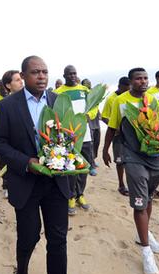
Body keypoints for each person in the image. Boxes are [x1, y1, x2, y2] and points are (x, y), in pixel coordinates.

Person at [0, 55, 71, 274]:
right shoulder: (7, 106)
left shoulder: (59, 102)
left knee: (58, 242)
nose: (42, 76)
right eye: (36, 72)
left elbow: (71, 137)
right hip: (26, 182)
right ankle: (22, 272)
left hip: (56, 184)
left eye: (45, 72)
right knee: (28, 237)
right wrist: (27, 162)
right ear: (23, 77)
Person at [103, 68, 159, 274]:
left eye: (145, 78)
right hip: (132, 156)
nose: (143, 81)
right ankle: (146, 252)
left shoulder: (153, 100)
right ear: (130, 82)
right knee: (139, 201)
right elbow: (112, 127)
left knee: (147, 198)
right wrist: (105, 149)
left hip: (154, 156)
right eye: (138, 78)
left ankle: (145, 233)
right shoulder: (120, 101)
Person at [54, 65, 95, 215]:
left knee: (83, 167)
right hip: (67, 137)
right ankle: (70, 196)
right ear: (64, 75)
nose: (72, 76)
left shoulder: (84, 90)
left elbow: (94, 106)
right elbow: (55, 112)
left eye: (74, 73)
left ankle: (81, 195)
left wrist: (89, 115)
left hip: (85, 136)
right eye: (69, 74)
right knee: (71, 167)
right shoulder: (58, 92)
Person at [0, 70, 24, 199]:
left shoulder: (27, 100)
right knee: (4, 161)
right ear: (8, 85)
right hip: (2, 135)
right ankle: (6, 185)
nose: (21, 82)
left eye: (21, 79)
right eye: (17, 80)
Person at [102, 77, 131, 196]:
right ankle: (121, 184)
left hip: (131, 136)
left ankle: (133, 184)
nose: (127, 92)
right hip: (117, 135)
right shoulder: (111, 99)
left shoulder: (130, 97)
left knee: (131, 161)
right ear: (120, 86)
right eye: (125, 89)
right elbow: (104, 117)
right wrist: (115, 127)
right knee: (120, 161)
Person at [81, 78, 101, 173]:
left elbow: (96, 107)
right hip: (89, 125)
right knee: (90, 145)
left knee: (96, 143)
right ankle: (91, 164)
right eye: (85, 83)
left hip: (96, 123)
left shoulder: (92, 94)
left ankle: (93, 160)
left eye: (88, 83)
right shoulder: (83, 95)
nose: (87, 84)